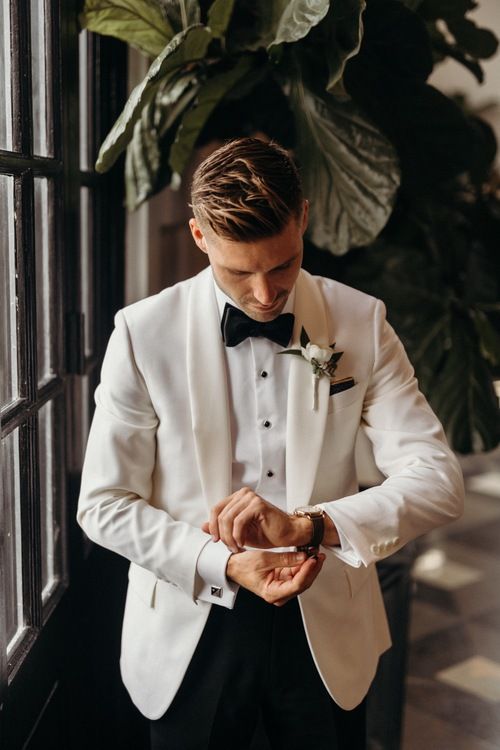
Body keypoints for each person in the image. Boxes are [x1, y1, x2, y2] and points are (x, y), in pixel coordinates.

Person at [77, 137, 464, 749]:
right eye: (239, 271)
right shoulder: (142, 334)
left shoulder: (359, 323)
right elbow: (103, 505)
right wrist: (223, 563)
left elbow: (438, 482)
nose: (264, 295)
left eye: (282, 264)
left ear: (303, 217)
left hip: (327, 629)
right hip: (190, 626)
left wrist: (307, 526)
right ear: (200, 237)